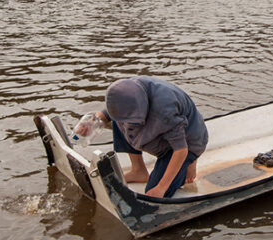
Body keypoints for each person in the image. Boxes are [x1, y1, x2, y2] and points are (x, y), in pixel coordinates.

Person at [74, 77, 208, 198]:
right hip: (161, 132)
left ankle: (190, 162)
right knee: (119, 120)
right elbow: (108, 113)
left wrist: (161, 187)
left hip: (188, 141)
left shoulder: (165, 112)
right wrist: (91, 123)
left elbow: (181, 150)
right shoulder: (128, 90)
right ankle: (138, 170)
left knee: (155, 193)